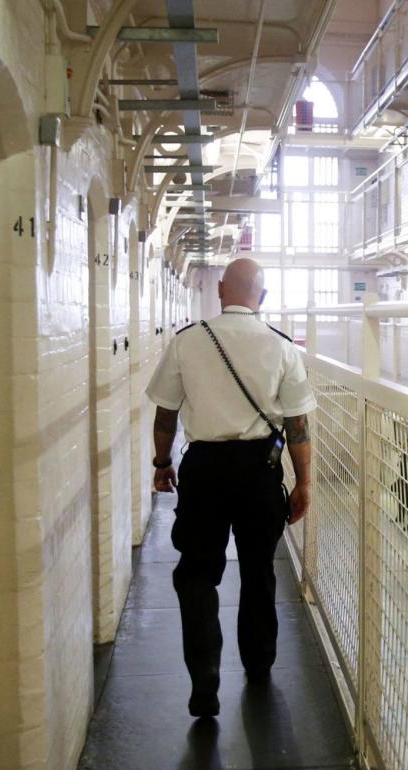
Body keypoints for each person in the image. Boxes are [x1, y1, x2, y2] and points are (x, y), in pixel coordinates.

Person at [145, 258, 316, 718]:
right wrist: (303, 483)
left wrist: (162, 463)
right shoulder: (282, 349)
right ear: (261, 298)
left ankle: (205, 678)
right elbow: (297, 426)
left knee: (197, 574)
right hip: (260, 472)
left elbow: (165, 414)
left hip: (203, 471)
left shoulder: (188, 341)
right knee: (259, 570)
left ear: (221, 289)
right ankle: (258, 666)